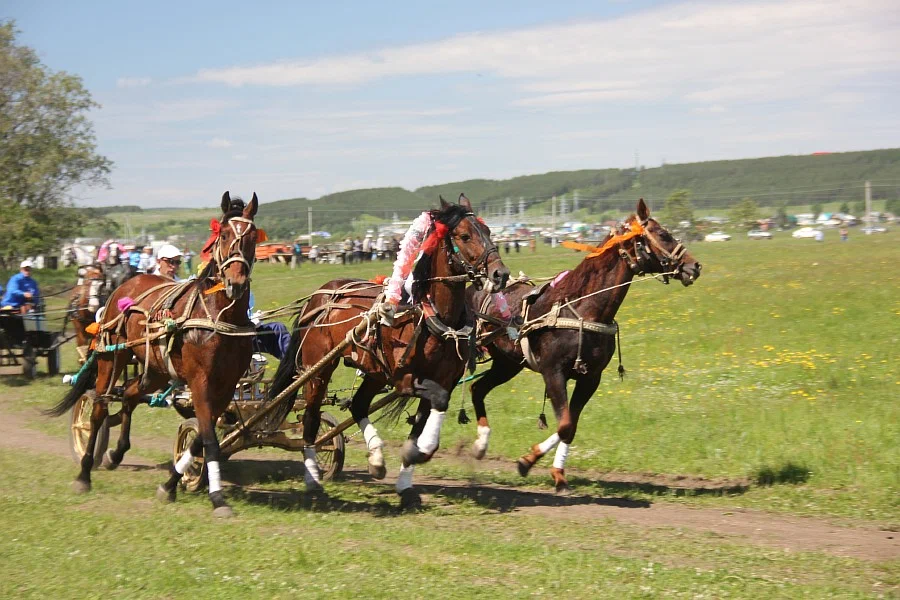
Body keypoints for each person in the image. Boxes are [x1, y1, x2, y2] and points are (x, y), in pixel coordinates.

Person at [247, 291, 291, 359]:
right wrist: (250, 323)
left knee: (278, 328)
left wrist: (254, 316)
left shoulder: (245, 291)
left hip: (251, 330)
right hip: (238, 337)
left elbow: (247, 312)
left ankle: (290, 361)